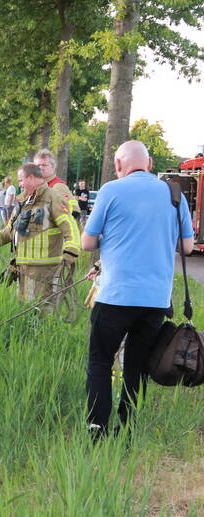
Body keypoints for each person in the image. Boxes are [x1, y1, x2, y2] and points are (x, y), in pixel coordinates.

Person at [82, 140, 194, 437]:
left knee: (100, 361)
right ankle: (127, 429)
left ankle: (97, 430)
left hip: (116, 295)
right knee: (137, 367)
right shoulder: (174, 194)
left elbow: (87, 243)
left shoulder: (111, 190)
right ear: (150, 163)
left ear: (119, 165)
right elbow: (187, 246)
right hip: (155, 299)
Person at [0, 163, 80, 305]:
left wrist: (70, 253)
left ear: (31, 177)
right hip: (23, 269)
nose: (20, 184)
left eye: (20, 180)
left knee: (42, 315)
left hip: (45, 271)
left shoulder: (53, 197)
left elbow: (70, 227)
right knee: (24, 312)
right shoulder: (22, 201)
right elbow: (8, 232)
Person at [33, 148, 80, 221]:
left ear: (53, 166)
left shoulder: (58, 186)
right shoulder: (36, 187)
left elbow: (75, 213)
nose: (40, 168)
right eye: (38, 165)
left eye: (44, 165)